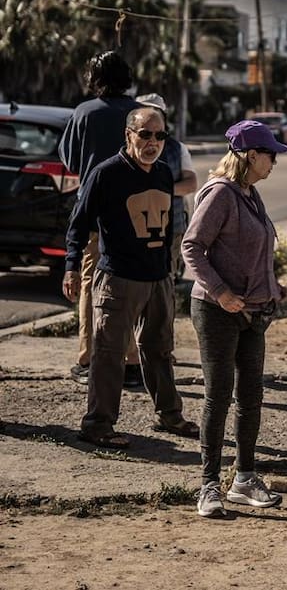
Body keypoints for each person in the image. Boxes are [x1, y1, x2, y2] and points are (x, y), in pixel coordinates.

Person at [62, 106, 198, 450]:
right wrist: (72, 265)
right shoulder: (106, 174)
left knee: (160, 351)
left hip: (158, 278)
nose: (152, 142)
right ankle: (97, 424)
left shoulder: (164, 173)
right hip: (119, 279)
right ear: (129, 135)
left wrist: (169, 270)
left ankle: (169, 414)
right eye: (145, 134)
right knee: (108, 354)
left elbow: (169, 225)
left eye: (159, 135)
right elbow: (79, 224)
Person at [183, 120, 287, 519]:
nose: (274, 161)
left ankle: (244, 479)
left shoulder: (249, 194)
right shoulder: (221, 194)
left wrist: (272, 285)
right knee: (218, 395)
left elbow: (252, 250)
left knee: (250, 396)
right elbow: (191, 247)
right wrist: (221, 292)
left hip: (253, 313)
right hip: (217, 312)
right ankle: (209, 486)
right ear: (249, 156)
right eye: (270, 154)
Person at [59, 51, 141, 387]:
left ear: (94, 78)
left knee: (93, 286)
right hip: (137, 211)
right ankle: (134, 361)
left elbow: (70, 160)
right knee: (135, 287)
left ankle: (88, 358)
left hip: (95, 212)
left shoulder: (84, 112)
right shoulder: (140, 114)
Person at [136, 94, 198, 280]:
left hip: (171, 227)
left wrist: (161, 191)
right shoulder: (126, 146)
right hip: (134, 227)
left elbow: (191, 183)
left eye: (154, 113)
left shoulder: (177, 149)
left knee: (165, 280)